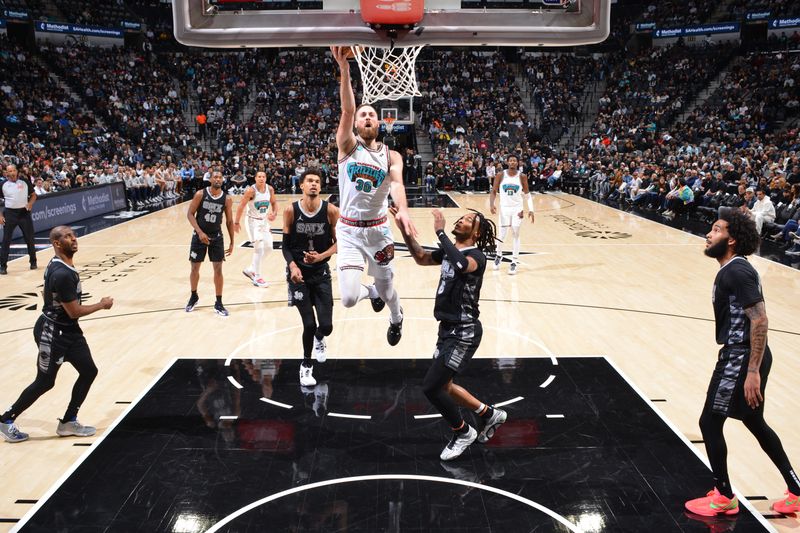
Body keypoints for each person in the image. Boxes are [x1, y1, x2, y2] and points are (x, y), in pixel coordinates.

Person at [685, 208, 800, 517]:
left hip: (741, 356)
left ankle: (723, 496)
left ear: (731, 240)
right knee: (753, 421)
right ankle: (796, 492)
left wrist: (752, 371)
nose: (709, 234)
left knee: (709, 422)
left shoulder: (735, 270)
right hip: (746, 355)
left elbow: (760, 319)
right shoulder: (735, 268)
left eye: (716, 230)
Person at [392, 206, 507, 461]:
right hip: (446, 329)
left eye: (469, 220)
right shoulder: (450, 251)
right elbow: (421, 257)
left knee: (431, 387)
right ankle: (488, 414)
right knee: (444, 385)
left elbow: (463, 264)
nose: (462, 221)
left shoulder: (476, 256)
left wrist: (441, 232)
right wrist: (404, 230)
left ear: (476, 233)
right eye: (462, 218)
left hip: (464, 331)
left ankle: (463, 431)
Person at [330, 46, 418, 346]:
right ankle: (373, 294)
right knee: (350, 299)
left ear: (380, 124)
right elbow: (346, 109)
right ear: (356, 124)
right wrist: (344, 69)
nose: (367, 117)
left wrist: (403, 210)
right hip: (350, 231)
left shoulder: (392, 155)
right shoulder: (347, 147)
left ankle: (396, 317)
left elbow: (396, 185)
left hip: (379, 230)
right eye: (363, 115)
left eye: (372, 115)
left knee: (388, 288)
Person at [0, 226, 114, 443]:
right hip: (53, 333)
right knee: (45, 382)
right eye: (67, 236)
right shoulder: (61, 273)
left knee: (89, 371)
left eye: (73, 235)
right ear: (56, 243)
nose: (74, 238)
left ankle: (69, 421)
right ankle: (6, 420)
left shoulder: (59, 263)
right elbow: (74, 312)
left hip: (69, 330)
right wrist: (101, 304)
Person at [283, 169, 339, 387]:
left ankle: (320, 338)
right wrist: (292, 266)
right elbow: (285, 247)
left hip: (321, 273)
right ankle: (306, 366)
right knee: (308, 323)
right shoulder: (290, 210)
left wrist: (321, 257)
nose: (314, 184)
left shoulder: (331, 211)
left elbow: (339, 243)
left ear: (320, 186)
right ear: (302, 186)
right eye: (309, 181)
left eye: (317, 181)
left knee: (326, 326)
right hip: (299, 276)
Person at [185, 170, 234, 316]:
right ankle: (194, 296)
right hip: (199, 236)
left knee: (218, 270)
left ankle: (218, 303)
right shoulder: (200, 194)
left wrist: (232, 242)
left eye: (220, 177)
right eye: (215, 177)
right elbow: (190, 214)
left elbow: (229, 221)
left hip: (216, 237)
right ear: (210, 179)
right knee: (195, 268)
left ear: (223, 180)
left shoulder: (227, 199)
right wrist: (199, 232)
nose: (218, 179)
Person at [489, 155, 534, 275]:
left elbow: (527, 194)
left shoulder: (522, 176)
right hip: (504, 209)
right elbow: (493, 191)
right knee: (502, 235)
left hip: (517, 210)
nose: (513, 162)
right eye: (511, 160)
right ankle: (499, 256)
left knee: (515, 234)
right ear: (507, 162)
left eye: (515, 160)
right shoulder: (500, 175)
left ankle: (514, 262)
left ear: (518, 163)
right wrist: (491, 204)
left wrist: (531, 209)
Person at [234, 170, 277, 288]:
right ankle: (257, 277)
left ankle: (251, 269)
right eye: (259, 176)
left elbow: (274, 203)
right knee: (259, 249)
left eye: (263, 176)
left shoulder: (270, 189)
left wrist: (274, 213)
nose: (261, 178)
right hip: (252, 222)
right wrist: (236, 222)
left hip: (264, 221)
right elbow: (241, 206)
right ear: (255, 178)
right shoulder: (250, 191)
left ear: (266, 178)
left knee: (269, 248)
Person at [0, 164, 38, 275]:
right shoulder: (3, 184)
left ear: (17, 171)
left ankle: (33, 262)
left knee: (29, 239)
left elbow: (34, 195)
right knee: (6, 240)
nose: (11, 173)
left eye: (13, 170)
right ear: (6, 173)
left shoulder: (24, 181)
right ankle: (3, 266)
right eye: (9, 171)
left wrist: (30, 203)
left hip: (24, 213)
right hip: (10, 214)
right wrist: (0, 215)